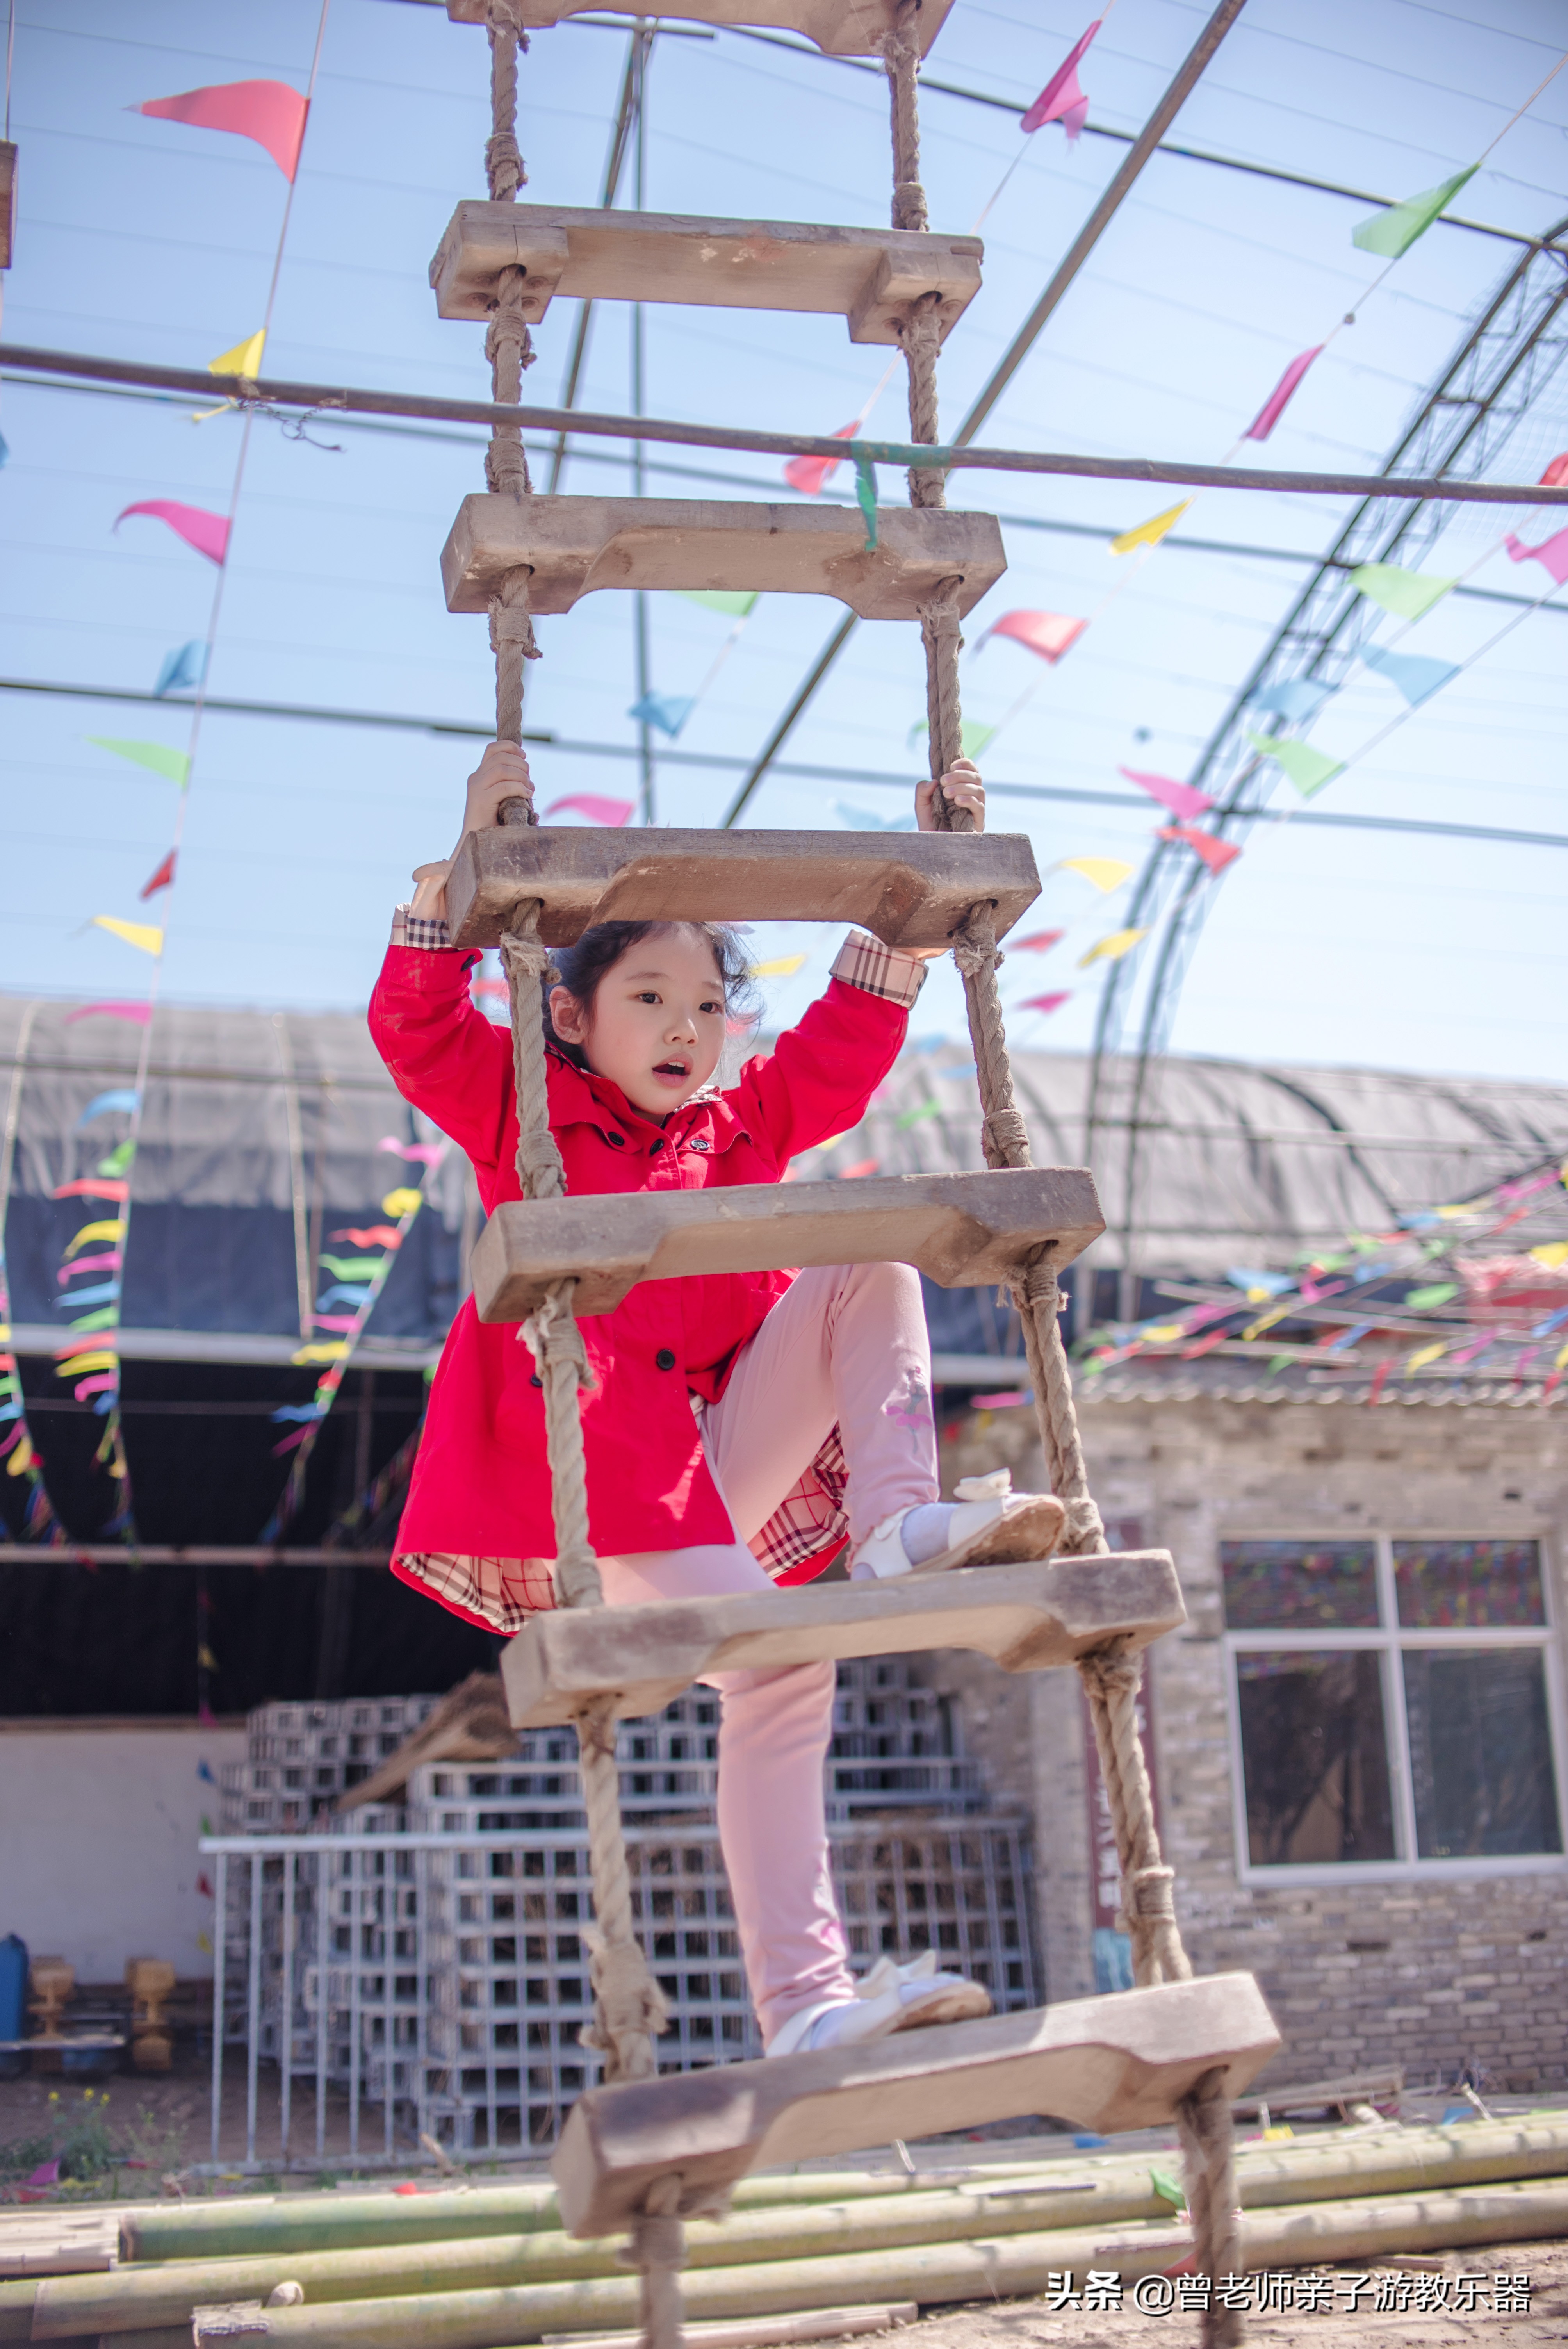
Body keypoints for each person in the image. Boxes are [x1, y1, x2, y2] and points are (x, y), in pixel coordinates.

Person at [368, 743, 1064, 2059]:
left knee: (865, 1250)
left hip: (705, 1471)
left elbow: (836, 1058)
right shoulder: (527, 1110)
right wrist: (449, 886)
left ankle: (897, 1521)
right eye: (648, 998)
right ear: (574, 1018)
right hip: (588, 1490)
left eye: (707, 1004)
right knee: (787, 1663)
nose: (684, 1028)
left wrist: (921, 891)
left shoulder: (735, 1131)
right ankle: (802, 2004)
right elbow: (420, 1032)